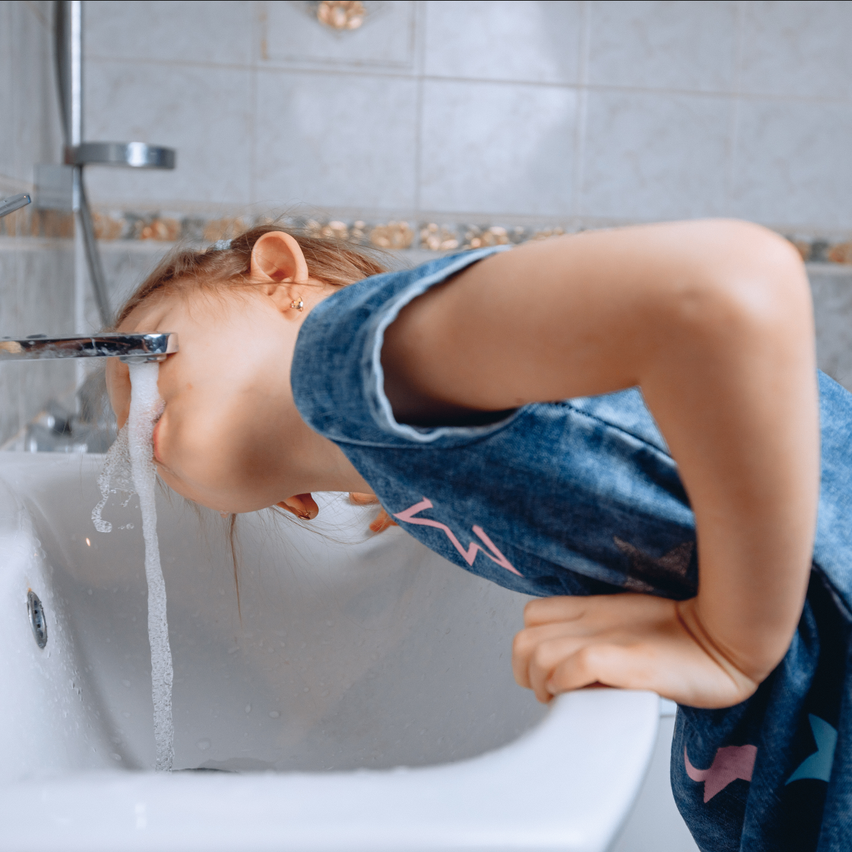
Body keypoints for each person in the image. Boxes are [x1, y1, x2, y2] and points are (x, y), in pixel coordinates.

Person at [106, 220, 851, 851]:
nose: (135, 417)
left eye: (148, 357)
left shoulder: (352, 348)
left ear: (277, 278)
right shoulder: (406, 467)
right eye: (121, 425)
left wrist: (731, 638)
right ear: (301, 504)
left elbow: (735, 279)